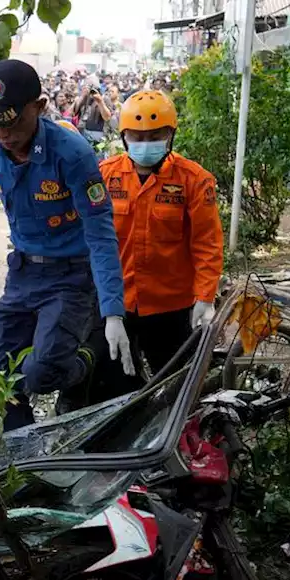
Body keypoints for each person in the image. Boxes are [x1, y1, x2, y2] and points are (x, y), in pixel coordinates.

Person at [0, 59, 132, 431]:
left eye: (12, 121)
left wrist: (113, 311)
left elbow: (100, 231)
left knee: (40, 373)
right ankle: (22, 451)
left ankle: (84, 361)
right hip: (23, 273)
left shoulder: (71, 153)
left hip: (69, 277)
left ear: (39, 107)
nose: (2, 133)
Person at [99, 90, 223, 379]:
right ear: (124, 137)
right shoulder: (105, 176)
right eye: (137, 137)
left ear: (171, 135)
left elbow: (207, 243)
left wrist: (205, 298)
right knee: (114, 383)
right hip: (118, 302)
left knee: (172, 383)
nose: (146, 143)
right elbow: (89, 237)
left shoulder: (194, 180)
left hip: (171, 306)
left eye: (155, 135)